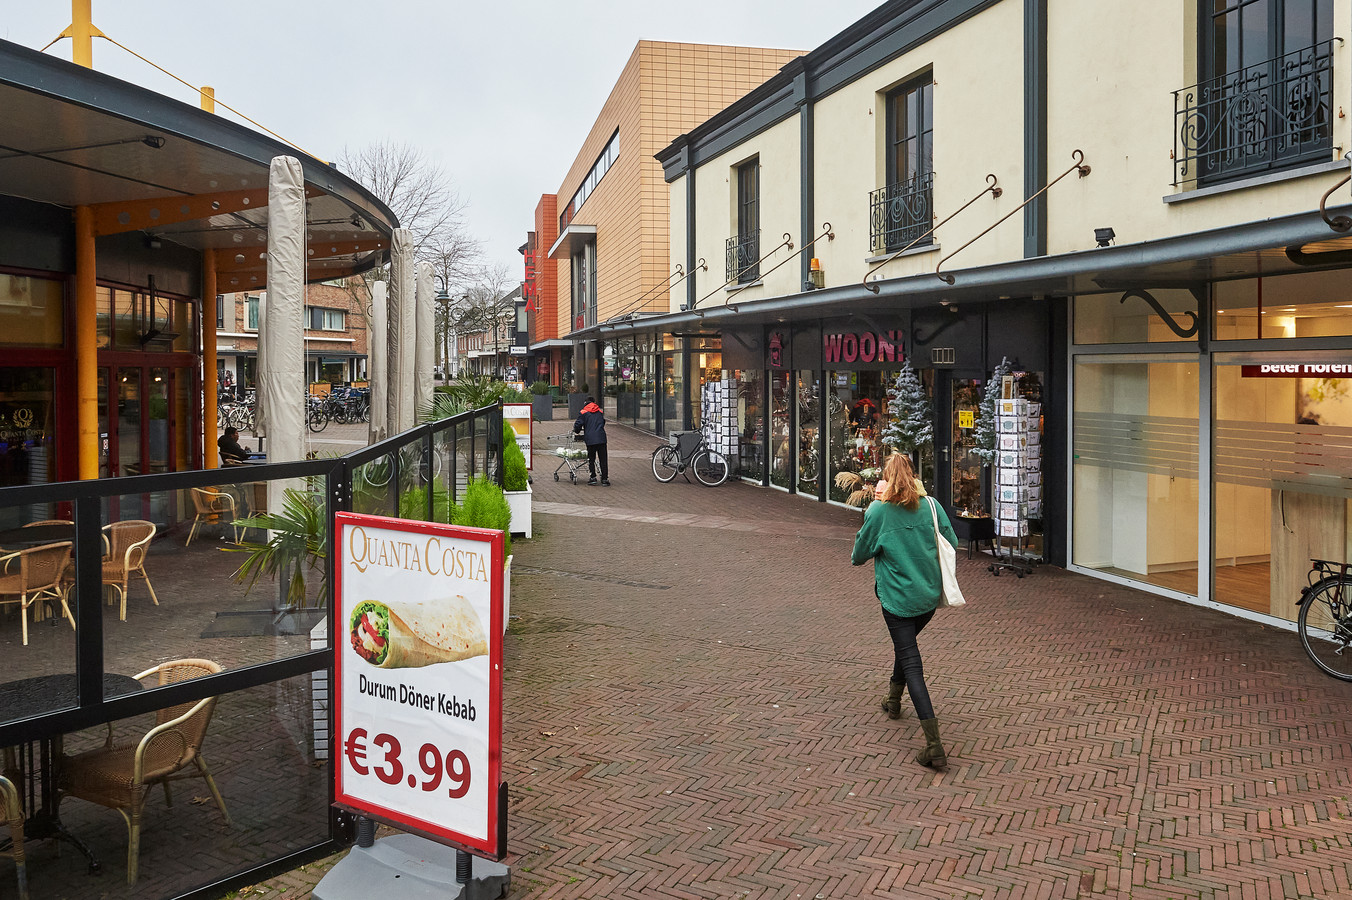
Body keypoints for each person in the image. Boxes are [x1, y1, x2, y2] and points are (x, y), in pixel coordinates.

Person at [851, 452, 958, 769]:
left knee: (912, 663)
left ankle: (934, 744)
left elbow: (858, 555)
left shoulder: (880, 512)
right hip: (927, 599)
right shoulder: (932, 506)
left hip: (897, 600)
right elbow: (950, 540)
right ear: (913, 475)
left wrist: (874, 512)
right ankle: (893, 701)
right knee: (906, 648)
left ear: (885, 478)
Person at [573, 396, 609, 486]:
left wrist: (576, 430)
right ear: (594, 402)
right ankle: (604, 479)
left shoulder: (583, 412)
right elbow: (603, 422)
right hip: (601, 438)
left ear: (585, 403)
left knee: (591, 459)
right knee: (603, 459)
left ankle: (593, 477)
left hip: (590, 439)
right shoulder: (599, 411)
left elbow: (578, 424)